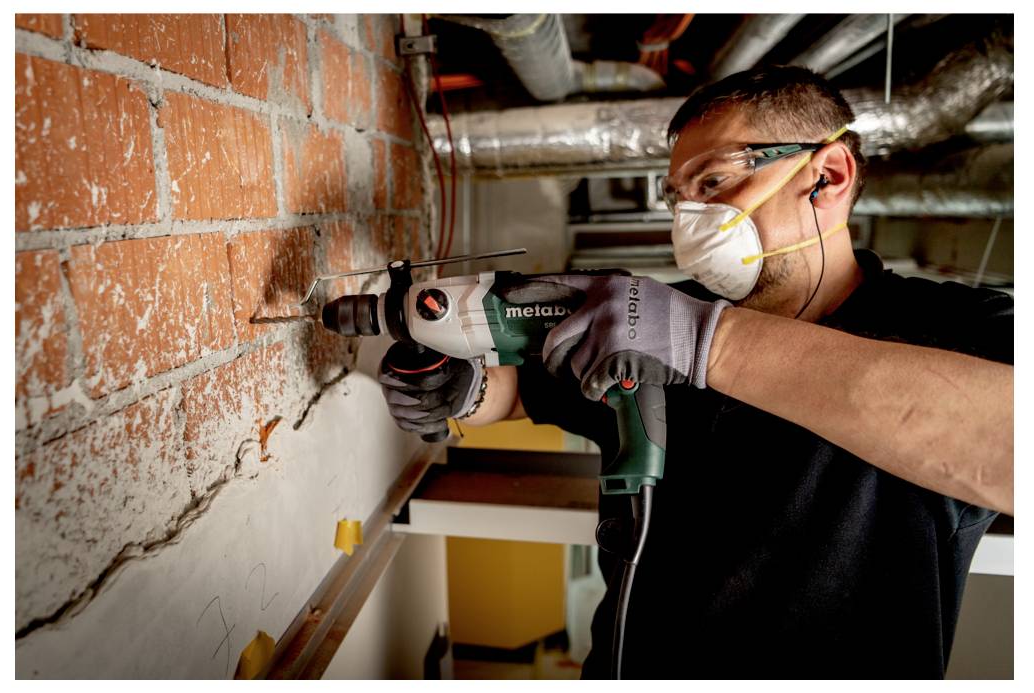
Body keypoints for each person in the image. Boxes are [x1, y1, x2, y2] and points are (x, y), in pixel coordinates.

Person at [377, 66, 1014, 679]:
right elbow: (522, 392)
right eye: (679, 198)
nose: (688, 221)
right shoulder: (660, 315)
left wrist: (706, 344)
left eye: (711, 184)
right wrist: (462, 389)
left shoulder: (958, 328)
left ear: (827, 174)